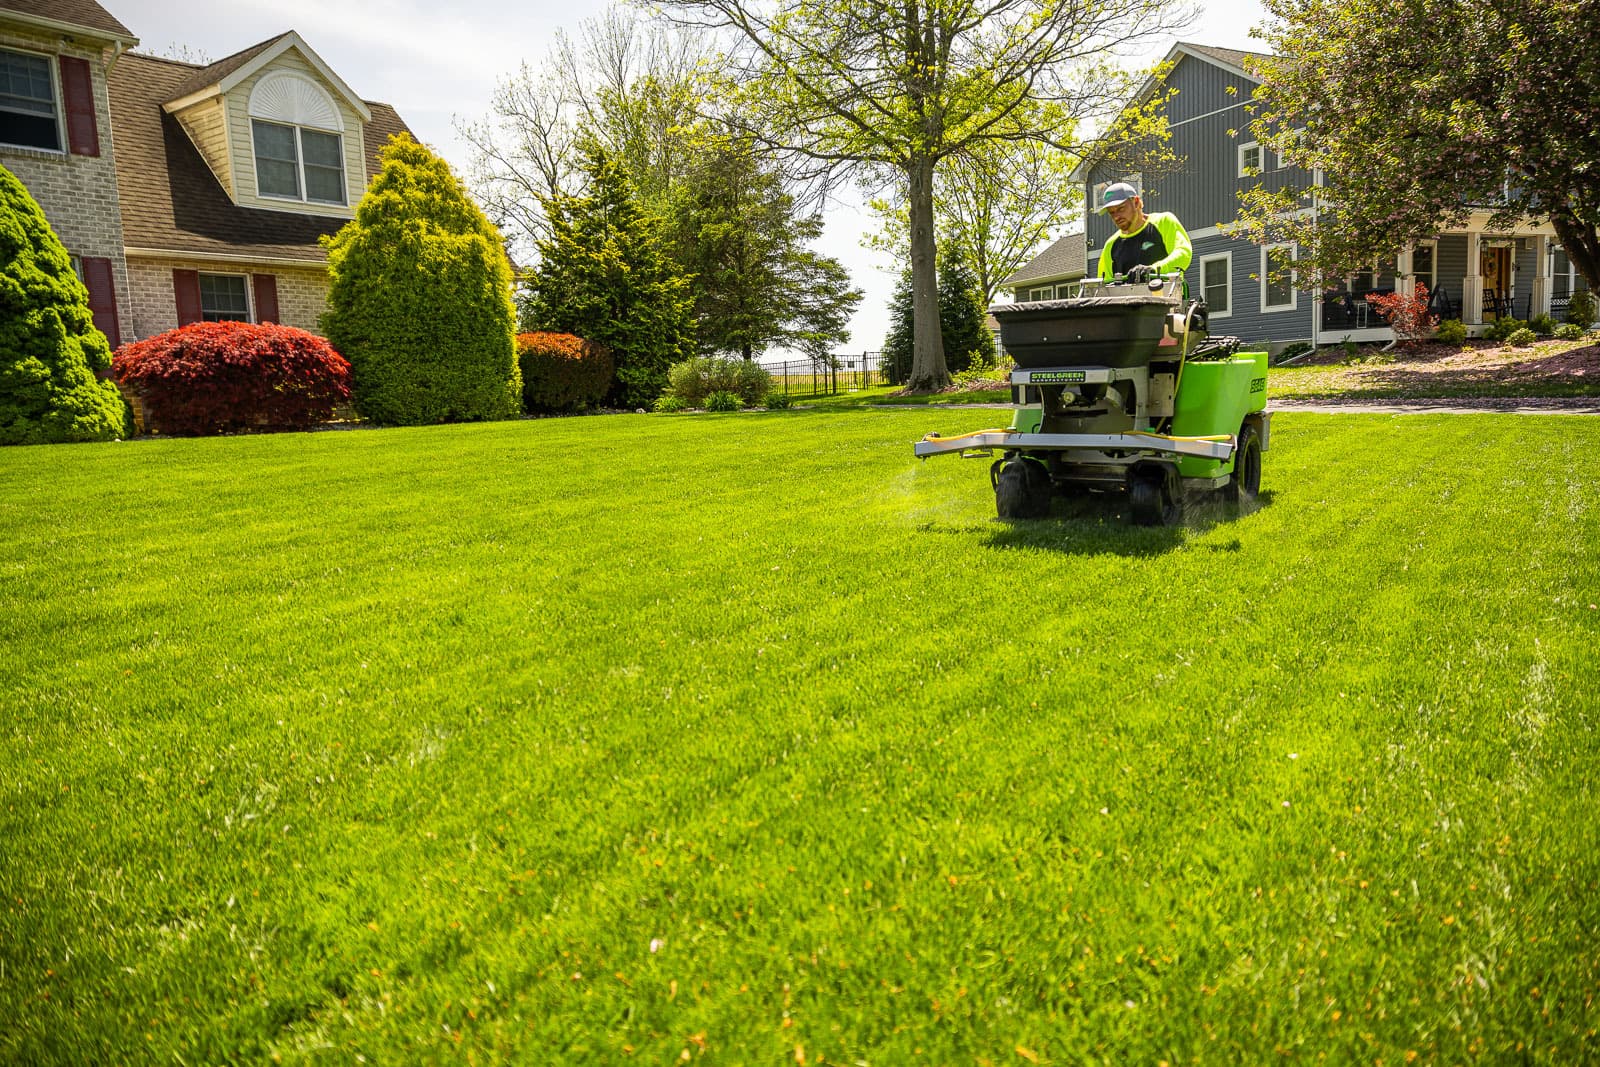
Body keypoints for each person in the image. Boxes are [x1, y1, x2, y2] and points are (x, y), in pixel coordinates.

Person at [1095, 182, 1192, 284]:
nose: (1116, 217)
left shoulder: (1164, 222)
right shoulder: (1110, 245)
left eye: (1121, 209)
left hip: (1167, 297)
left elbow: (1183, 253)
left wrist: (1153, 270)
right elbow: (1103, 284)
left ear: (1136, 202)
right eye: (1112, 212)